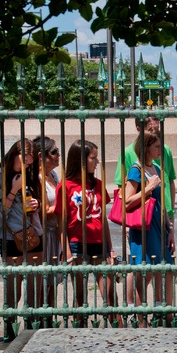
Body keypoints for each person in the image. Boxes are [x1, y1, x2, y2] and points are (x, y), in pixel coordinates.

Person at [55, 140, 122, 328]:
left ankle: (119, 332)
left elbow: (103, 220)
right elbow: (61, 223)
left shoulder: (98, 185)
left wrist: (110, 249)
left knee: (110, 295)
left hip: (99, 243)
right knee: (79, 296)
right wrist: (66, 252)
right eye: (94, 157)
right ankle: (79, 332)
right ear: (81, 160)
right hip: (77, 244)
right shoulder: (65, 186)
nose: (97, 161)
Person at [114, 116, 176, 311]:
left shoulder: (155, 167)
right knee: (145, 271)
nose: (160, 150)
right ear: (147, 147)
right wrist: (149, 188)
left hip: (159, 226)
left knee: (161, 270)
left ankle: (159, 310)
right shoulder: (136, 170)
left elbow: (161, 203)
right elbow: (126, 201)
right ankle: (139, 316)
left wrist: (170, 227)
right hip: (144, 228)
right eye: (157, 147)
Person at [0, 138, 43, 340]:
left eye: (29, 163)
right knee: (14, 291)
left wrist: (35, 204)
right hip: (11, 237)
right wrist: (13, 191)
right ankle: (11, 336)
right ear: (15, 154)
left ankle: (32, 334)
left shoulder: (28, 175)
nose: (26, 166)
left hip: (34, 235)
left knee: (34, 289)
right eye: (24, 162)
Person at [33, 136, 62, 311]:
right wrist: (61, 207)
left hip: (56, 232)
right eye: (54, 152)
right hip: (44, 233)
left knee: (54, 280)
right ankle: (39, 319)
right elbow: (40, 210)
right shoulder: (37, 179)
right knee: (43, 281)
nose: (58, 155)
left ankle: (50, 318)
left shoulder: (53, 175)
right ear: (41, 157)